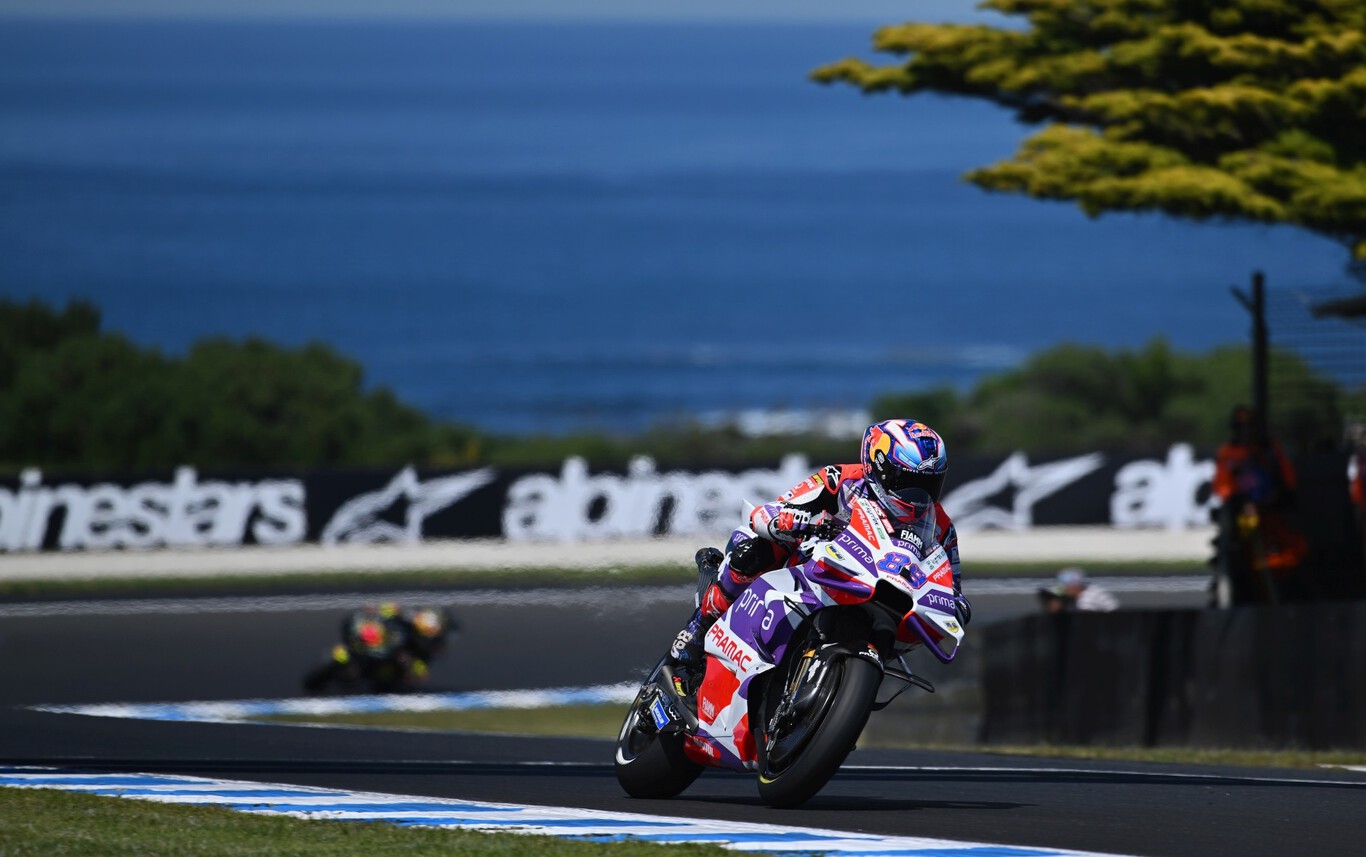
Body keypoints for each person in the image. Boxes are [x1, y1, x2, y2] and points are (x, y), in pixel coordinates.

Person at [668, 418, 967, 671]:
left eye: (929, 484)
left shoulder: (941, 526)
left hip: (879, 592)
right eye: (908, 481)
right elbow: (768, 512)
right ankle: (700, 626)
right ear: (880, 467)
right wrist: (788, 522)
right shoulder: (842, 479)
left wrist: (956, 607)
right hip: (819, 568)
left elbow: (951, 584)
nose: (918, 495)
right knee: (753, 547)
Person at [1211, 404, 1307, 602]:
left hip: (1273, 515)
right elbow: (1222, 486)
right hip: (1243, 520)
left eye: (1250, 427)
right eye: (1242, 428)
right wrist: (1242, 502)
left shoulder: (1269, 451)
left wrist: (1273, 500)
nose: (1247, 432)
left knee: (1289, 554)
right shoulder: (1228, 453)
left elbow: (1287, 481)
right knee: (1242, 555)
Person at [1038, 567, 1119, 613]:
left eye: (1065, 588)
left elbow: (1115, 611)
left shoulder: (1096, 594)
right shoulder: (1067, 600)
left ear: (1075, 586)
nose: (1063, 591)